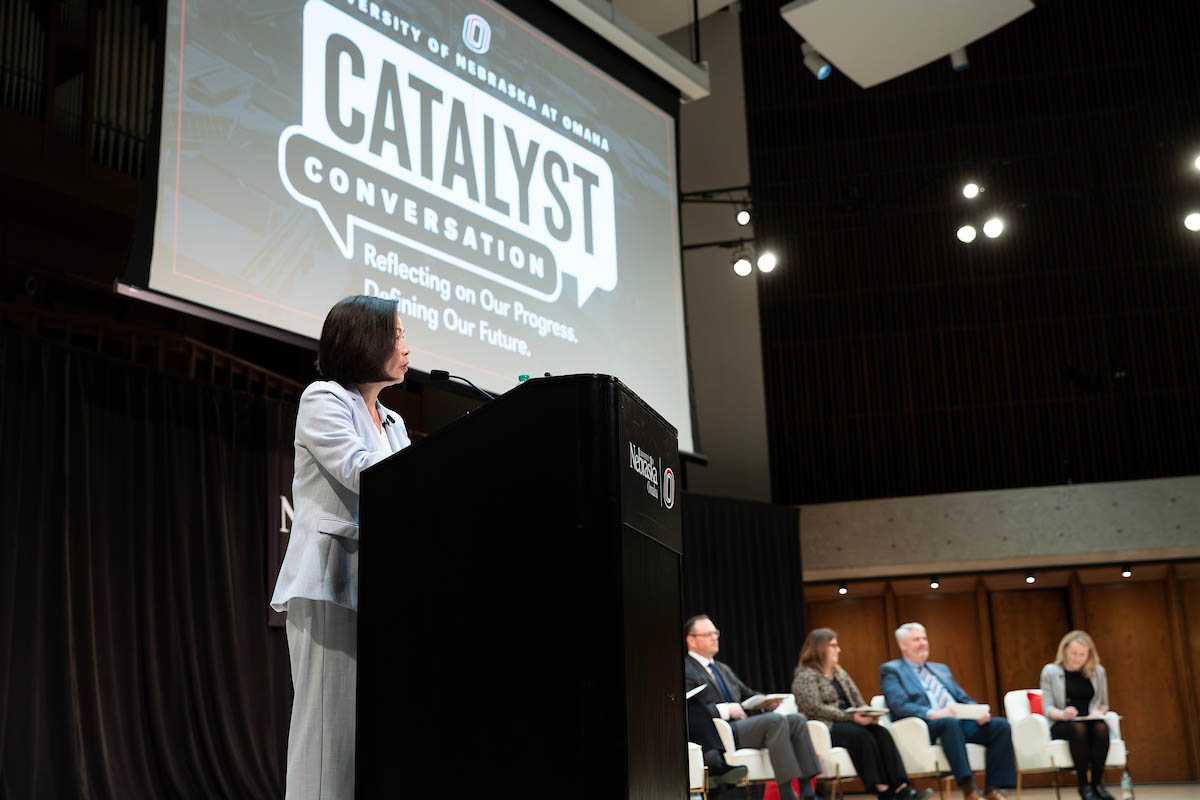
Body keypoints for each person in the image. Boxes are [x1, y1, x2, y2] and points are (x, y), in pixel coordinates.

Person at [270, 296, 412, 799]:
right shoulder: (323, 399)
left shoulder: (393, 423)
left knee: (365, 740)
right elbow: (362, 473)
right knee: (327, 734)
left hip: (380, 589)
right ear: (363, 340)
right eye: (396, 335)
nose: (407, 346)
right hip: (330, 580)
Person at [684, 614, 822, 800]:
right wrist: (726, 709)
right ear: (691, 640)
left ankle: (807, 792)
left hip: (743, 727)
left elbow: (747, 694)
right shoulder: (686, 669)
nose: (714, 637)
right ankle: (787, 794)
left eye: (715, 633)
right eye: (707, 634)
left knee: (796, 721)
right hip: (719, 733)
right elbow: (689, 710)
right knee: (774, 721)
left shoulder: (722, 668)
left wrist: (765, 702)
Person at [880, 623, 1016, 800]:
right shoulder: (892, 670)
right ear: (903, 645)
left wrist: (978, 712)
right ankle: (969, 789)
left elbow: (962, 698)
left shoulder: (940, 669)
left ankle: (993, 788)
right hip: (926, 725)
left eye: (924, 638)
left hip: (958, 722)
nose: (923, 643)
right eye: (916, 639)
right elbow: (899, 705)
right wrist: (933, 713)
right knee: (949, 723)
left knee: (1000, 726)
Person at [792, 628, 932, 800]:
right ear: (820, 648)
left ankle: (901, 788)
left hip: (851, 719)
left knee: (881, 733)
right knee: (861, 736)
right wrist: (851, 717)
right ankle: (882, 789)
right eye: (833, 645)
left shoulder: (839, 673)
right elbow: (814, 708)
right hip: (827, 725)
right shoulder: (805, 677)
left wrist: (869, 714)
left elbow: (857, 700)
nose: (839, 649)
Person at [1040, 631, 1115, 800]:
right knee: (1078, 728)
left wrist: (1099, 712)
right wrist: (1062, 714)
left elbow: (1104, 704)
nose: (1078, 658)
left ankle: (1097, 784)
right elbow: (1047, 707)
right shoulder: (1051, 671)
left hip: (1090, 719)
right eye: (1074, 653)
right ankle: (1083, 785)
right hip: (1063, 722)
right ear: (1065, 650)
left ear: (1089, 654)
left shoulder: (1098, 671)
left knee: (1101, 728)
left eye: (1082, 654)